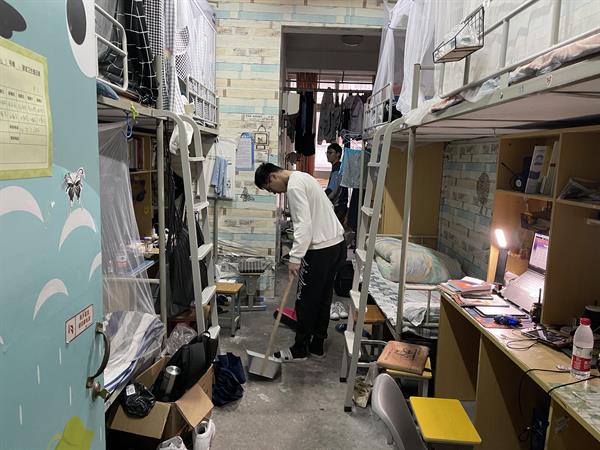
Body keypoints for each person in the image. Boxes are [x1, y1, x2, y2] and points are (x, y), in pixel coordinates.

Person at [254, 163, 346, 361]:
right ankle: (317, 345)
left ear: (272, 177)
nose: (274, 192)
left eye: (270, 189)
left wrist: (295, 257)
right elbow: (327, 208)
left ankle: (300, 349)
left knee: (305, 300)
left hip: (320, 251)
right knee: (323, 298)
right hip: (337, 245)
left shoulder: (294, 186)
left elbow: (303, 225)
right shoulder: (304, 177)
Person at [325, 143, 348, 224]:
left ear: (338, 154)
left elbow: (332, 190)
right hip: (340, 205)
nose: (328, 155)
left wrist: (322, 197)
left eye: (330, 152)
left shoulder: (337, 169)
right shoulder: (338, 167)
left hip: (339, 207)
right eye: (327, 152)